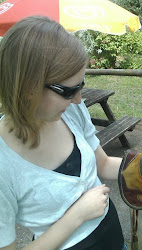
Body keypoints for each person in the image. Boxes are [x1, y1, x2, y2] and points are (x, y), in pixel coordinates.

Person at [0, 16, 128, 250]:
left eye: (82, 85)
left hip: (114, 238)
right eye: (69, 91)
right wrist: (76, 216)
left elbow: (103, 163)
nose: (79, 99)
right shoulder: (3, 162)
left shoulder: (71, 111)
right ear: (28, 88)